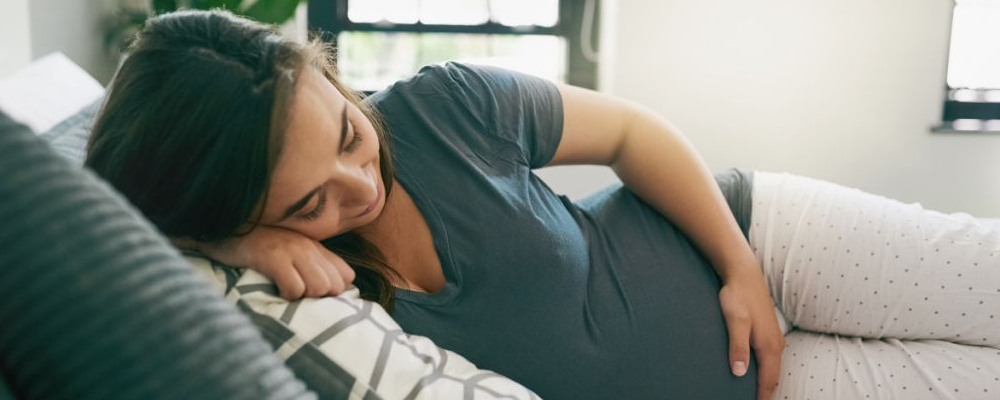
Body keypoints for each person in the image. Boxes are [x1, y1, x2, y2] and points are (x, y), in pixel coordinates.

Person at [85, 10, 1000, 400]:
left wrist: (741, 268)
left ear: (332, 74)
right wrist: (232, 246)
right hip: (763, 388)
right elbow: (108, 236)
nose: (361, 188)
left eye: (351, 135)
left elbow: (636, 133)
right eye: (310, 200)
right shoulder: (302, 294)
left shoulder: (441, 104)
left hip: (767, 243)